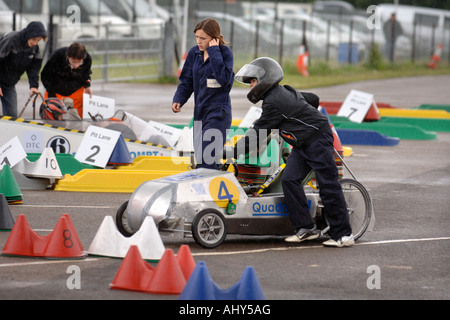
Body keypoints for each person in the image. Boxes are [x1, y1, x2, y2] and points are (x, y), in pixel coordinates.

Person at [232, 57, 354, 247]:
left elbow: (258, 132)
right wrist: (300, 116)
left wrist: (232, 151)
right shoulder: (284, 91)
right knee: (289, 180)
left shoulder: (274, 102)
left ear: (265, 80)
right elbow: (313, 99)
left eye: (253, 82)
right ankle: (306, 228)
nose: (251, 86)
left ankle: (344, 235)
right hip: (303, 143)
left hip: (318, 140)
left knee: (327, 185)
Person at [172, 18, 234, 169]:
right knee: (201, 161)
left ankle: (209, 191)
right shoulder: (194, 53)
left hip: (218, 113)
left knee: (208, 160)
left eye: (203, 38)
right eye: (197, 37)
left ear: (214, 38)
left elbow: (225, 81)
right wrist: (179, 98)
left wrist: (214, 53)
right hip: (199, 113)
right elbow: (187, 80)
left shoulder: (224, 53)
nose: (199, 41)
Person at [0, 21, 47, 118]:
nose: (35, 43)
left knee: (11, 116)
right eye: (34, 39)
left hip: (9, 84)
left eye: (38, 41)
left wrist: (33, 85)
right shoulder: (11, 40)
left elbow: (34, 67)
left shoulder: (34, 48)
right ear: (28, 34)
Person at [41, 42, 93, 118]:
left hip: (76, 88)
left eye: (79, 62)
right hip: (56, 88)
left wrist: (87, 86)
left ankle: (78, 128)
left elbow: (86, 74)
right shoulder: (57, 56)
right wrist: (51, 93)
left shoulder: (87, 59)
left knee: (80, 117)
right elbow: (45, 75)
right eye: (73, 62)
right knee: (52, 115)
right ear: (68, 57)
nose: (76, 65)